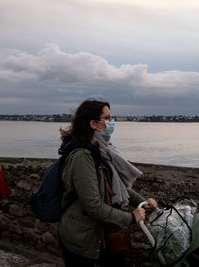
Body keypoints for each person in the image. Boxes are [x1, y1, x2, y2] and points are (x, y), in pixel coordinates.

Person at [58, 99, 158, 266]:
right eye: (108, 118)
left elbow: (112, 186)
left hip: (105, 231)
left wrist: (141, 201)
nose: (112, 123)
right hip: (82, 235)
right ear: (93, 124)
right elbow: (93, 205)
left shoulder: (101, 149)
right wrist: (131, 218)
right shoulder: (83, 156)